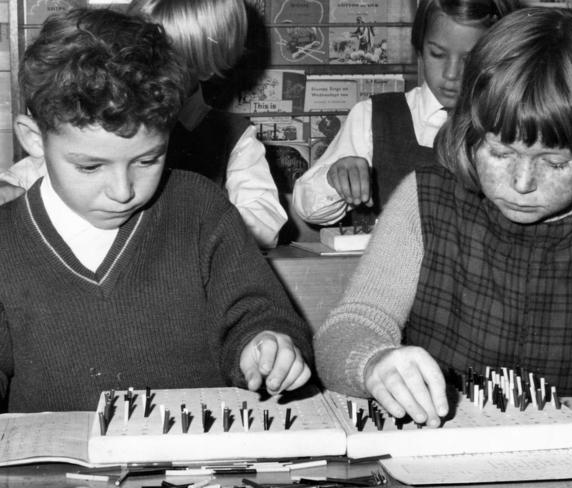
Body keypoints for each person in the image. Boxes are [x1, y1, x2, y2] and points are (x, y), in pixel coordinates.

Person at [314, 6, 572, 429]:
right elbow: (350, 325)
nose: (522, 181)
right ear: (471, 131)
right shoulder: (426, 200)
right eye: (501, 153)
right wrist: (373, 361)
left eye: (555, 162)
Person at [0, 8, 312, 413]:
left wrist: (268, 344)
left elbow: (257, 313)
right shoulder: (6, 240)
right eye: (90, 166)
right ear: (34, 139)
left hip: (194, 466)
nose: (123, 190)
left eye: (148, 160)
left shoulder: (200, 210)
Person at [0, 0, 287, 249]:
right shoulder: (103, 116)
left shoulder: (232, 136)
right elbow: (49, 166)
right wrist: (9, 186)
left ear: (207, 65)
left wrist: (195, 225)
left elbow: (264, 222)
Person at [292, 0, 522, 225]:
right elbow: (307, 208)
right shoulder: (374, 116)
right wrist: (335, 178)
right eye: (437, 54)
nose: (452, 74)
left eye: (469, 59)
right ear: (420, 48)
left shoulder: (509, 122)